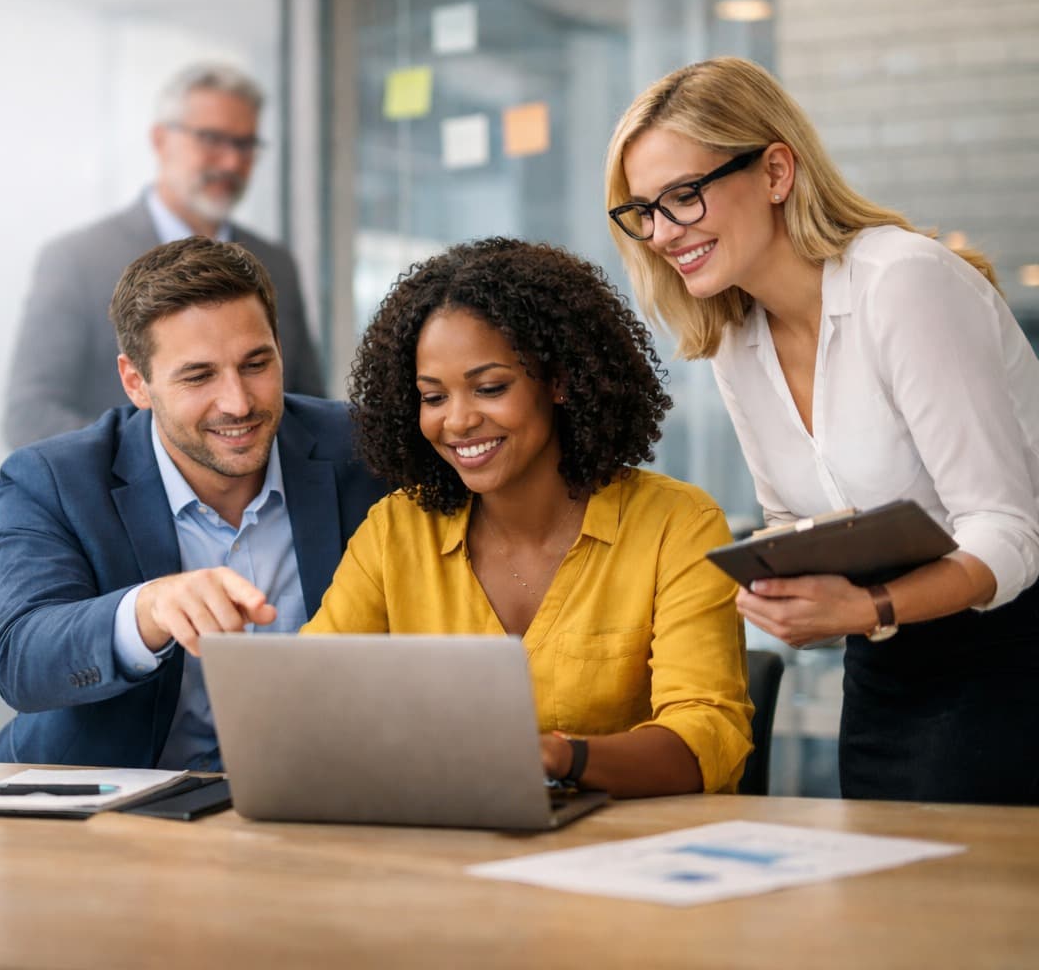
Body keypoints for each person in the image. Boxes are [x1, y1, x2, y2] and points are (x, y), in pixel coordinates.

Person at [606, 56, 1039, 804]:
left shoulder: (902, 282)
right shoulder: (735, 336)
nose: (663, 233)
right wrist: (783, 582)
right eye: (644, 210)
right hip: (884, 668)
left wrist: (864, 607)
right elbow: (790, 516)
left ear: (776, 172)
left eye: (684, 196)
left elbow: (1008, 532)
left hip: (1013, 656)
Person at [302, 239, 753, 798]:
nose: (459, 420)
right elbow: (309, 695)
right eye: (433, 397)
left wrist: (563, 756)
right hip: (450, 849)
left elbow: (709, 740)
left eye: (490, 388)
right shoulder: (398, 530)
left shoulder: (676, 525)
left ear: (560, 380)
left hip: (630, 859)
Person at [0, 237, 385, 770]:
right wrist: (147, 610)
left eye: (256, 364)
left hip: (309, 799)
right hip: (103, 807)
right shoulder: (54, 479)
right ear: (136, 383)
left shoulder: (364, 449)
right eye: (199, 376)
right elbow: (22, 661)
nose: (238, 402)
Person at [0, 61, 323, 450]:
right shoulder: (77, 261)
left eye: (245, 144)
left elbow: (309, 407)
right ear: (159, 140)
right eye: (212, 139)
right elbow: (29, 416)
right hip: (122, 505)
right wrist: (166, 465)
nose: (232, 162)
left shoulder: (276, 264)